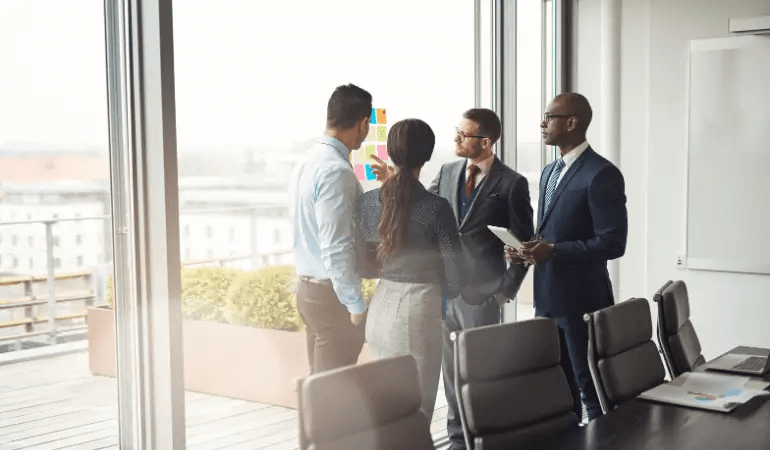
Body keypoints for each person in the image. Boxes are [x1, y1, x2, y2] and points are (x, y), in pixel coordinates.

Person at [506, 93, 627, 421]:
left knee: (589, 389)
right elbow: (550, 234)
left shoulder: (601, 174)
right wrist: (527, 251)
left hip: (580, 303)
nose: (542, 124)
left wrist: (555, 251)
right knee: (556, 393)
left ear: (572, 122)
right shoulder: (548, 172)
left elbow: (613, 243)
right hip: (546, 301)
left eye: (549, 117)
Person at [429, 108, 534, 449]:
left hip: (483, 295)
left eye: (464, 134)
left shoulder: (510, 184)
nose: (456, 138)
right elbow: (423, 210)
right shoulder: (446, 173)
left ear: (485, 142)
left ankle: (487, 438)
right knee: (450, 371)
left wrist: (504, 294)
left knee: (481, 374)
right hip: (446, 292)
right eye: (456, 131)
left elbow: (524, 244)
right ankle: (458, 437)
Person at [355, 118, 465, 421]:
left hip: (380, 309)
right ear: (427, 154)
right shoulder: (437, 207)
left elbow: (365, 265)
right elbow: (455, 278)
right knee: (416, 413)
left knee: (386, 410)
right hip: (419, 309)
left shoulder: (367, 202)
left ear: (390, 152)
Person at [289, 83, 371, 374]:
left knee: (321, 390)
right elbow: (336, 244)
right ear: (363, 124)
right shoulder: (336, 171)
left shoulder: (306, 163)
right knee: (333, 394)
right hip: (332, 298)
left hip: (309, 292)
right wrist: (355, 303)